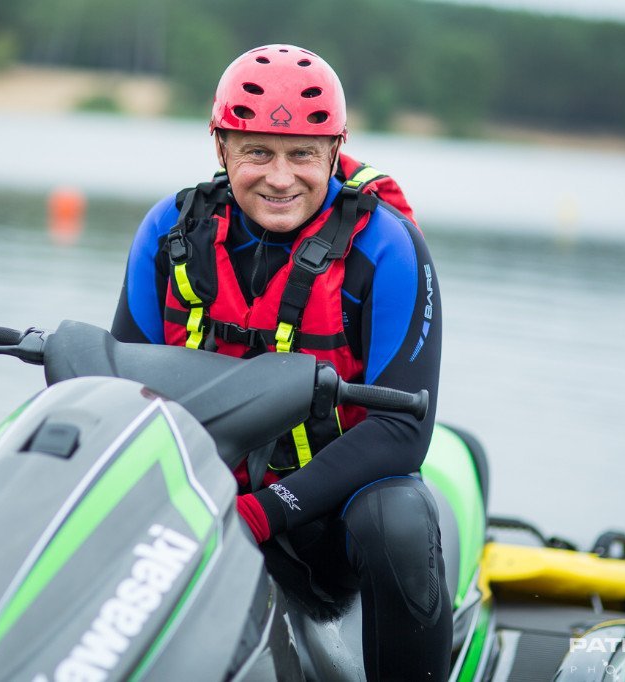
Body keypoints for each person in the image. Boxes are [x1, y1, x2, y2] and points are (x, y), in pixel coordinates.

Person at [111, 44, 451, 680]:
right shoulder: (168, 230)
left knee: (401, 520)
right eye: (257, 152)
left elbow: (405, 431)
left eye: (302, 155)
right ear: (221, 148)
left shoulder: (386, 246)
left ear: (334, 151)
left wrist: (264, 513)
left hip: (331, 518)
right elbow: (120, 388)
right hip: (199, 501)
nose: (280, 176)